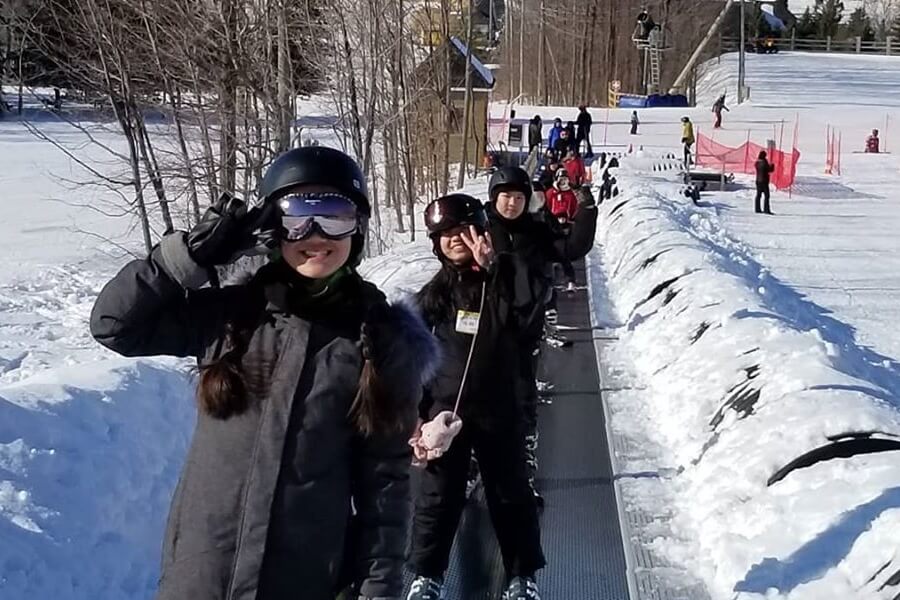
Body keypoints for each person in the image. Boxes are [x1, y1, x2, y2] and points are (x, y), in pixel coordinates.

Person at [90, 147, 439, 600]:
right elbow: (115, 325)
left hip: (300, 579)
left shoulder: (380, 340)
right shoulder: (230, 317)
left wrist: (376, 591)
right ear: (272, 228)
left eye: (334, 215)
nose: (316, 234)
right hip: (200, 575)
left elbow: (385, 488)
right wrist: (188, 258)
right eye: (297, 217)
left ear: (357, 228)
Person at [407, 194, 546, 600]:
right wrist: (416, 415)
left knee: (510, 493)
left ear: (481, 233)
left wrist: (496, 269)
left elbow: (529, 317)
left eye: (462, 231)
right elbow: (410, 359)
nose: (454, 240)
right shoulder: (434, 294)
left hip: (500, 408)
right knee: (437, 497)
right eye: (445, 234)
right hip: (445, 415)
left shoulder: (505, 278)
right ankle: (426, 574)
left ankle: (522, 575)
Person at [484, 167, 598, 504]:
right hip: (483, 332)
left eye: (518, 197)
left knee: (522, 399)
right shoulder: (480, 228)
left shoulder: (536, 230)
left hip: (523, 330)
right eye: (505, 196)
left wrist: (586, 210)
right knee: (479, 399)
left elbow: (571, 248)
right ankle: (476, 463)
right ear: (494, 198)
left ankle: (522, 468)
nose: (511, 203)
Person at [755, 149, 775, 214]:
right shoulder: (764, 162)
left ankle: (757, 209)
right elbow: (769, 170)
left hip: (758, 181)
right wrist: (772, 166)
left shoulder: (757, 163)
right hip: (764, 181)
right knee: (767, 196)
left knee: (758, 195)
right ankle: (766, 210)